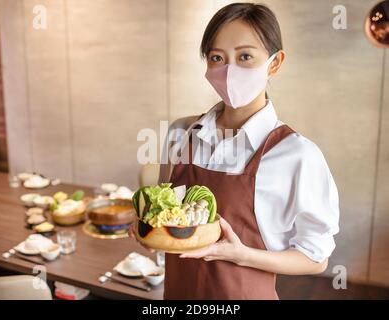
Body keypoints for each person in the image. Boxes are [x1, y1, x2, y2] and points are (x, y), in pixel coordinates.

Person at [139, 2, 340, 300]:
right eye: (217, 57)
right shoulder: (181, 133)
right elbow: (166, 220)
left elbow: (316, 258)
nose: (229, 70)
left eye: (245, 56)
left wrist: (241, 255)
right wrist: (147, 228)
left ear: (274, 63)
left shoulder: (297, 155)